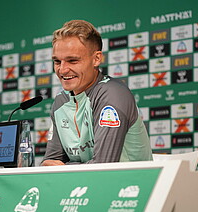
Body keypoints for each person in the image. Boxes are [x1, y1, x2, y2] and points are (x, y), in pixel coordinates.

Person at [41, 20, 152, 166]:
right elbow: (49, 163)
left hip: (130, 186)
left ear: (96, 59)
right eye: (57, 62)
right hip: (83, 186)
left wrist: (65, 167)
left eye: (72, 61)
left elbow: (102, 167)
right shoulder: (61, 101)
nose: (62, 70)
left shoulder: (112, 95)